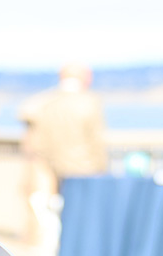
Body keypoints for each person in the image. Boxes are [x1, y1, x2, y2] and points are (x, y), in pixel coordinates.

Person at [20, 63, 109, 191]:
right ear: (85, 78)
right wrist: (102, 169)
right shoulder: (90, 103)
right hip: (83, 172)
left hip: (49, 170)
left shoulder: (43, 102)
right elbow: (96, 141)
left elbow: (32, 140)